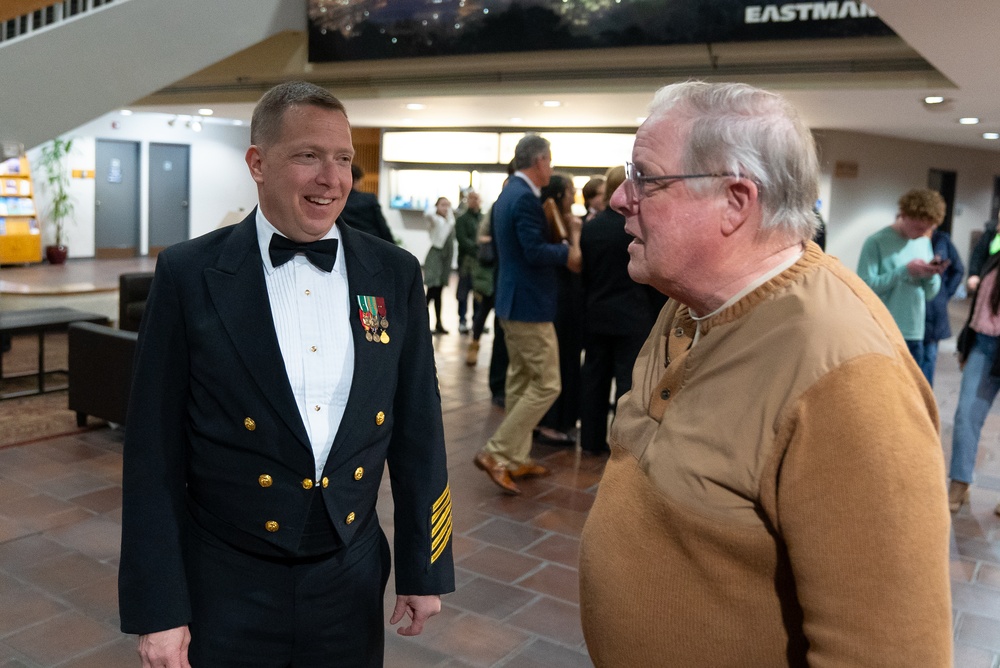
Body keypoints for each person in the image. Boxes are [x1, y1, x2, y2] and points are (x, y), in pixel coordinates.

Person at [578, 81, 952, 666]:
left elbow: (890, 651)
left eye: (646, 178)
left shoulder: (851, 378)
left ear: (735, 201)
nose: (621, 197)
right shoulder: (688, 301)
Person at [118, 81, 454, 667]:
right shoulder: (189, 273)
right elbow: (153, 455)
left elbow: (420, 436)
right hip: (226, 580)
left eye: (344, 159)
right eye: (308, 156)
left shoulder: (393, 273)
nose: (332, 178)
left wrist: (425, 566)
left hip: (349, 578)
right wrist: (159, 607)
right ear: (257, 163)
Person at [473, 134, 582, 495]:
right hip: (528, 304)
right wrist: (566, 248)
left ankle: (516, 458)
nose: (550, 168)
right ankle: (497, 451)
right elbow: (535, 252)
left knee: (521, 381)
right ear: (539, 162)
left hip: (514, 301)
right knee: (549, 383)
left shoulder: (510, 193)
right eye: (549, 162)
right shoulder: (523, 198)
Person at [578, 165, 664, 455]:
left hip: (596, 313)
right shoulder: (638, 228)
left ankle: (589, 442)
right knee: (628, 384)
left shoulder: (591, 228)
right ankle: (622, 445)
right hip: (632, 315)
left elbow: (585, 274)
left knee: (593, 380)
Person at [856, 189, 949, 365]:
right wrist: (905, 271)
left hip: (914, 331)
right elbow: (865, 287)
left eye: (928, 229)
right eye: (919, 228)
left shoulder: (923, 241)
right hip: (884, 329)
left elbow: (930, 294)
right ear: (904, 215)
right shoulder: (876, 242)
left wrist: (930, 275)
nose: (923, 233)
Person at [949, 239, 1000, 516]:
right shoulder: (995, 257)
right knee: (966, 415)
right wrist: (966, 347)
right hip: (983, 345)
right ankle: (960, 482)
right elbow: (977, 308)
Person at [535, 173, 584, 445]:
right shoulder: (555, 220)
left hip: (559, 299)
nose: (572, 197)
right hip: (562, 301)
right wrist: (576, 235)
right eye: (570, 192)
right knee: (561, 362)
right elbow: (574, 262)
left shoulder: (549, 216)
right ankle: (552, 423)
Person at [921, 227, 964, 384]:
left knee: (929, 357)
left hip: (934, 309)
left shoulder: (942, 240)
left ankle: (924, 402)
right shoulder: (909, 239)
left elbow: (958, 269)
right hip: (911, 308)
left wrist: (945, 292)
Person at [423, 196, 455, 334]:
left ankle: (438, 323)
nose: (446, 208)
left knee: (439, 292)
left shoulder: (450, 220)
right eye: (442, 205)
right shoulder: (435, 220)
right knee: (431, 291)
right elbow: (428, 214)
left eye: (448, 205)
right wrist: (436, 208)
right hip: (435, 257)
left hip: (444, 259)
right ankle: (420, 321)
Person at [339, 163, 394, 243]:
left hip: (346, 243)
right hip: (371, 242)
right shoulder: (369, 199)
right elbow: (381, 225)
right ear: (356, 180)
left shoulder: (337, 200)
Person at [454, 190, 483, 335]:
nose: (474, 201)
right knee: (463, 294)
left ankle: (477, 322)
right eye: (471, 198)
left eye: (476, 198)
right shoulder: (462, 219)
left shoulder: (483, 218)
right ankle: (462, 321)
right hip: (466, 263)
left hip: (480, 264)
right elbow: (463, 240)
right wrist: (479, 248)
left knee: (479, 294)